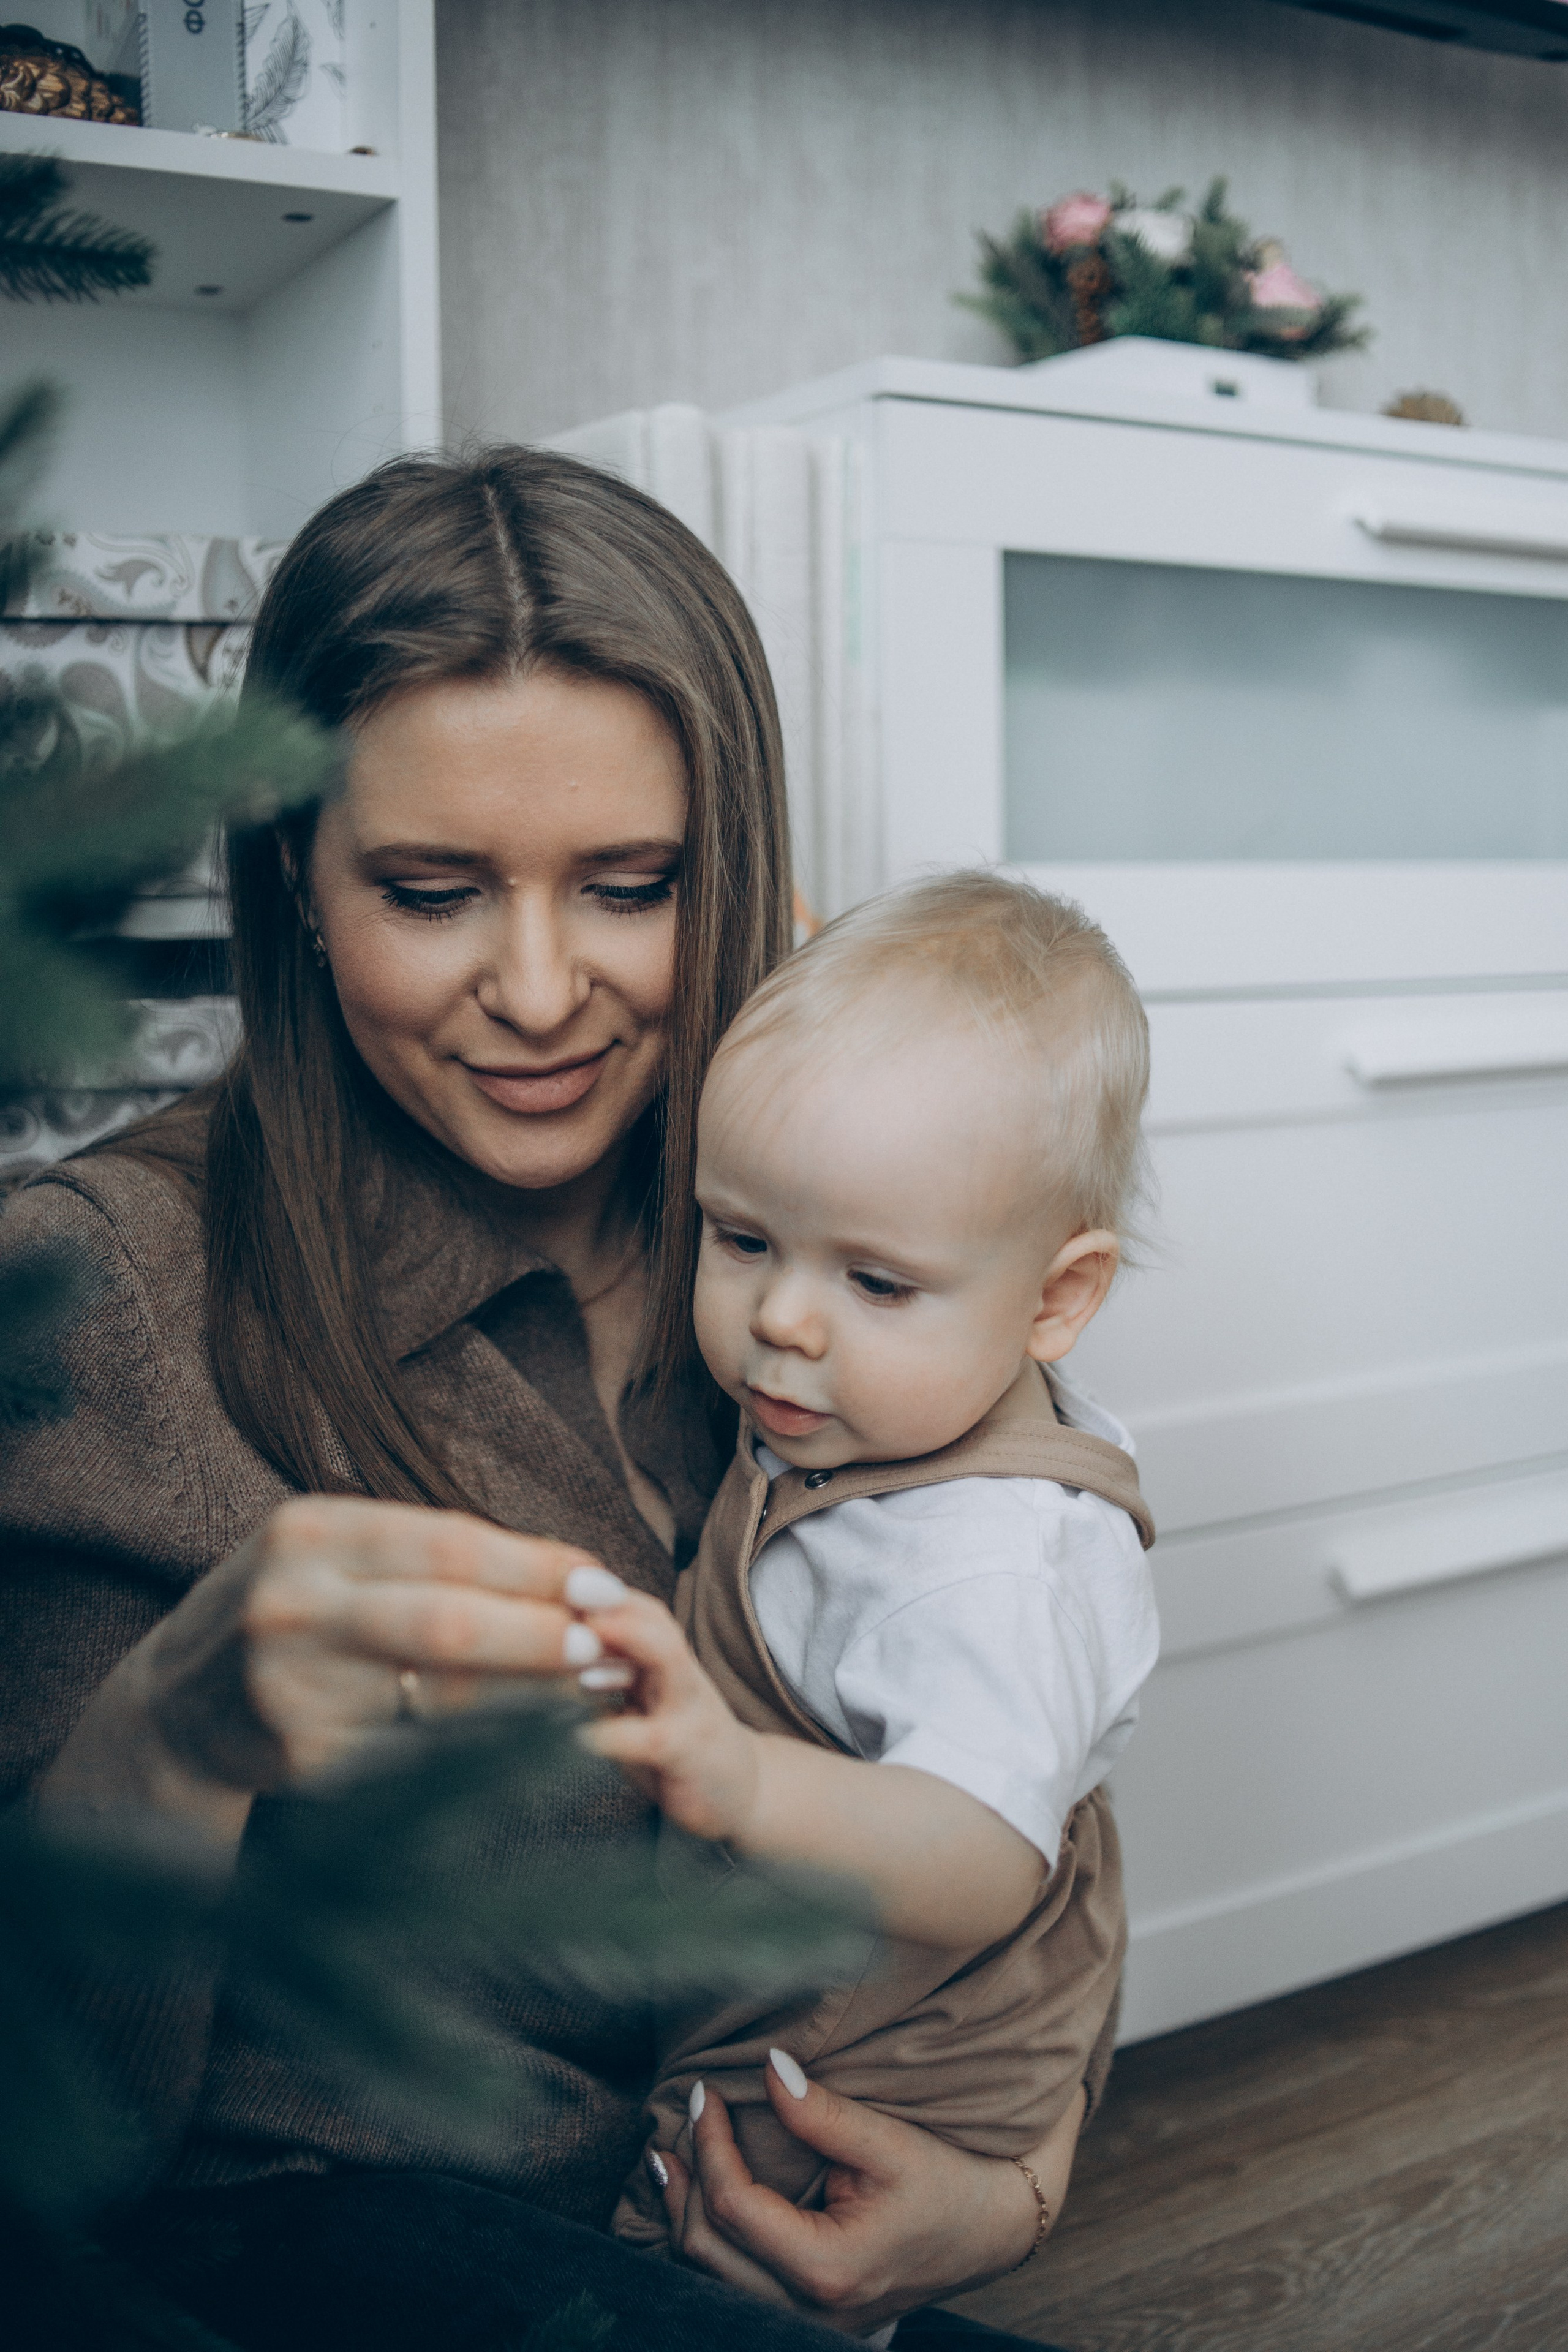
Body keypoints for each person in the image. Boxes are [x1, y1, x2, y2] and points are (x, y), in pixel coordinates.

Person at [0, 450, 1084, 2350]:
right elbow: (41, 2149)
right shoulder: (104, 1300)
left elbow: (1028, 1757)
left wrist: (1012, 2177)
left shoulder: (858, 1235)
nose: (537, 990)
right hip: (308, 2256)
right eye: (430, 891)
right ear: (295, 881)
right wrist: (170, 1741)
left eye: (634, 887)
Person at [554, 875, 1157, 2283]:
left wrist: (744, 1780)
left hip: (879, 2055)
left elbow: (978, 1857)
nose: (779, 1318)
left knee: (690, 2248)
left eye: (875, 1283)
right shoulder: (894, 1398)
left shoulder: (986, 1568)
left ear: (1055, 1302)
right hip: (790, 1968)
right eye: (742, 1237)